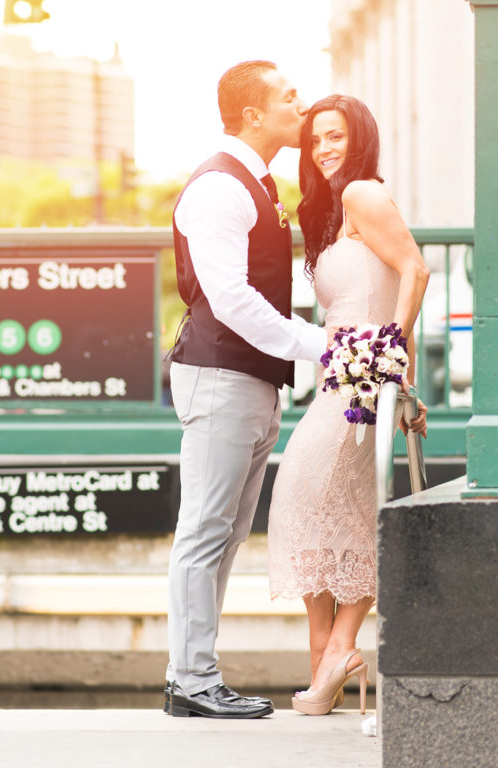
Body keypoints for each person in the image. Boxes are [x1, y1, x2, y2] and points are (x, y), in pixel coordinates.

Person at [164, 60, 328, 719]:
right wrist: (321, 344)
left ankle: (197, 676)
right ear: (252, 115)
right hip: (219, 376)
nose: (301, 104)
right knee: (205, 530)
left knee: (225, 532)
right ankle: (190, 681)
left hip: (248, 381)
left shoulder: (256, 185)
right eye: (288, 97)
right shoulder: (219, 189)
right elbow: (228, 297)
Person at [267, 93, 429, 716]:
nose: (323, 149)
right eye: (314, 140)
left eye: (335, 136)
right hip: (340, 378)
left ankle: (340, 646)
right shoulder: (331, 210)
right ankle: (323, 672)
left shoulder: (363, 192)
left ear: (358, 139)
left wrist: (394, 356)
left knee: (310, 495)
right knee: (318, 508)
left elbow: (414, 269)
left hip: (363, 381)